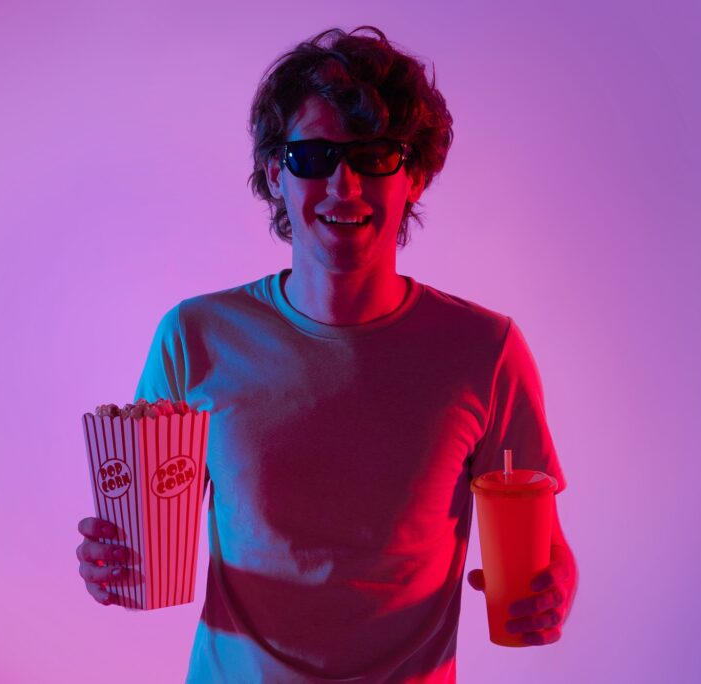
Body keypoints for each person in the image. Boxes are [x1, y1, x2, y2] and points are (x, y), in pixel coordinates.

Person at [76, 25, 578, 683]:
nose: (344, 187)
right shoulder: (194, 338)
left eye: (374, 157)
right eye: (313, 157)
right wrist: (110, 564)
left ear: (416, 176)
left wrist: (552, 595)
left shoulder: (485, 351)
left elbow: (550, 556)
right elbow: (145, 530)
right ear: (274, 174)